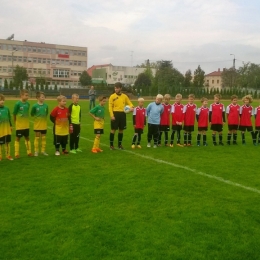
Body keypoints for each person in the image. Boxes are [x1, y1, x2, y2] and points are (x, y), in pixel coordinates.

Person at [109, 82, 134, 150]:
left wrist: (131, 108)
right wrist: (112, 115)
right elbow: (110, 107)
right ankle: (111, 145)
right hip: (115, 114)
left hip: (122, 114)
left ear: (120, 88)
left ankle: (120, 145)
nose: (116, 89)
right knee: (113, 130)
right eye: (115, 88)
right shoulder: (112, 96)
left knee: (121, 130)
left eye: (117, 88)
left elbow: (130, 103)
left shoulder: (124, 96)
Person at [13, 89, 33, 158]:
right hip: (19, 125)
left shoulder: (28, 104)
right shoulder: (17, 104)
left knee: (27, 138)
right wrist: (15, 121)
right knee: (17, 138)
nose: (27, 97)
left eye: (28, 95)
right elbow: (14, 114)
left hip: (26, 125)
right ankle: (16, 153)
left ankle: (29, 152)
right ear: (21, 96)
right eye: (26, 95)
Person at [31, 91, 49, 156]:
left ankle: (43, 151)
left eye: (44, 97)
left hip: (44, 125)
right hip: (37, 125)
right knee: (37, 138)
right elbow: (32, 114)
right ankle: (36, 151)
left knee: (43, 138)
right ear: (38, 97)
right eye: (42, 97)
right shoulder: (34, 106)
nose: (43, 98)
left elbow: (46, 113)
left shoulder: (46, 106)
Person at [0, 94, 13, 161]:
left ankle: (8, 155)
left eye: (3, 100)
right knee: (0, 144)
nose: (2, 101)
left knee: (7, 142)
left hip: (7, 129)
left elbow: (9, 118)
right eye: (0, 100)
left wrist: (10, 126)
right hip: (1, 130)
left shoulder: (7, 108)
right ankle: (0, 156)